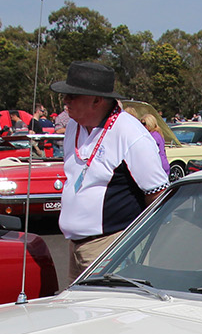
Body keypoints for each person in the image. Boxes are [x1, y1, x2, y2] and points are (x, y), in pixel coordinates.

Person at [50, 61, 169, 283]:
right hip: (76, 247)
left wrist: (133, 246)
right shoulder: (74, 127)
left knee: (108, 314)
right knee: (79, 314)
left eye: (72, 95)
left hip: (112, 248)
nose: (65, 101)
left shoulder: (130, 133)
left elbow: (157, 195)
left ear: (97, 100)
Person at [124, 104, 173, 174]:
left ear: (150, 123)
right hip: (162, 164)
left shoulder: (154, 136)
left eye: (144, 123)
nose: (142, 125)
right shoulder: (157, 134)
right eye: (141, 123)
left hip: (159, 165)